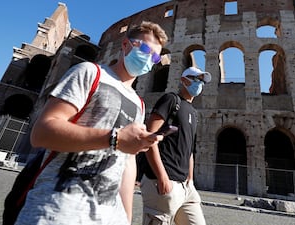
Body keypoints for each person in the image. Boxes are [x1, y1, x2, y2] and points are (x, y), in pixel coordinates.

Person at [14, 21, 168, 225]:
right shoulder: (89, 72)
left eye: (155, 56)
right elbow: (41, 132)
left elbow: (127, 163)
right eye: (146, 48)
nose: (149, 58)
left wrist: (126, 217)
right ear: (125, 45)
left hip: (109, 215)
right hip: (58, 207)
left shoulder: (139, 104)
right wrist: (114, 138)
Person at [140, 66, 211, 225]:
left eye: (202, 81)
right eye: (196, 79)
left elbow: (190, 150)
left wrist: (190, 180)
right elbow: (150, 136)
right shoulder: (171, 100)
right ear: (183, 80)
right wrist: (161, 176)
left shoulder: (193, 112)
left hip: (186, 187)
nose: (199, 83)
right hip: (162, 181)